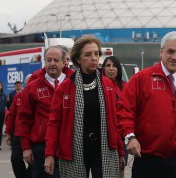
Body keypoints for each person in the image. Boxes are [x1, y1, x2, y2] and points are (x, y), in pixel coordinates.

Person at [117, 31, 176, 178]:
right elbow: (124, 110)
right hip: (147, 162)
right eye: (170, 52)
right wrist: (130, 137)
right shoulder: (141, 78)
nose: (174, 57)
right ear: (161, 52)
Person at [44, 36, 124, 178]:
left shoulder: (108, 85)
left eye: (96, 54)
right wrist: (49, 154)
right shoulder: (65, 88)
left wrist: (120, 151)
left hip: (104, 150)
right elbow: (54, 123)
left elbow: (114, 121)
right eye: (88, 55)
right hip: (75, 151)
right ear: (78, 59)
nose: (94, 58)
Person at [18, 45, 71, 178]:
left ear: (64, 62)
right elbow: (24, 119)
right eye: (49, 60)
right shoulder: (32, 87)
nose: (52, 63)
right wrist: (26, 147)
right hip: (40, 147)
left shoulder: (73, 83)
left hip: (68, 146)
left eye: (56, 60)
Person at [102, 55, 128, 175]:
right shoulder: (98, 85)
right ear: (103, 69)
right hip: (103, 136)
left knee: (120, 167)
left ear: (118, 69)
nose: (111, 68)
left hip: (122, 136)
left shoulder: (126, 87)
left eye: (114, 66)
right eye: (108, 65)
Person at [5, 77, 32, 177]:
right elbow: (11, 115)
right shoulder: (18, 96)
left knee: (33, 162)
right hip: (18, 134)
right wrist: (8, 133)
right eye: (28, 83)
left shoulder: (37, 97)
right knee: (15, 159)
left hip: (33, 135)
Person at [0, 81, 7, 150]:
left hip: (1, 114)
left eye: (0, 85)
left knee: (0, 129)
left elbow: (6, 104)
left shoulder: (3, 95)